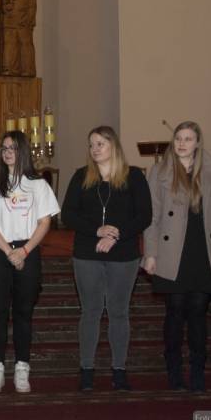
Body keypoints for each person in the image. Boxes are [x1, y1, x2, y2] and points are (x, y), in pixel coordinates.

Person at [143, 121, 211, 392]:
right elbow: (152, 217)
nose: (182, 143)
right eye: (178, 138)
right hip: (172, 251)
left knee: (198, 311)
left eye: (188, 139)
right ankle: (173, 369)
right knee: (175, 310)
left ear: (198, 143)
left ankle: (197, 370)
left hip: (204, 250)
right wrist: (150, 254)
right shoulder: (160, 172)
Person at [61, 126, 152, 392]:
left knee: (119, 312)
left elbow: (144, 215)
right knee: (90, 311)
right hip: (87, 252)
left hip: (124, 253)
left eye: (100, 143)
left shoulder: (134, 176)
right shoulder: (81, 176)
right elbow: (68, 214)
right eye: (91, 144)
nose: (95, 149)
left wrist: (116, 235)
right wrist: (97, 230)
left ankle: (119, 369)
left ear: (114, 145)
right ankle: (87, 369)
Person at [0, 131, 59, 393]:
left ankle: (22, 368)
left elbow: (45, 222)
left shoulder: (39, 185)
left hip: (27, 252)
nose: (8, 152)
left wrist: (24, 251)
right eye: (4, 148)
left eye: (13, 148)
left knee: (23, 314)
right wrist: (9, 251)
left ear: (23, 151)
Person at [1, 0, 37, 76]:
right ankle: (9, 68)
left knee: (25, 46)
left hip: (23, 23)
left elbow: (32, 7)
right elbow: (2, 6)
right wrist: (6, 7)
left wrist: (27, 20)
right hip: (10, 22)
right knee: (9, 46)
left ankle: (27, 69)